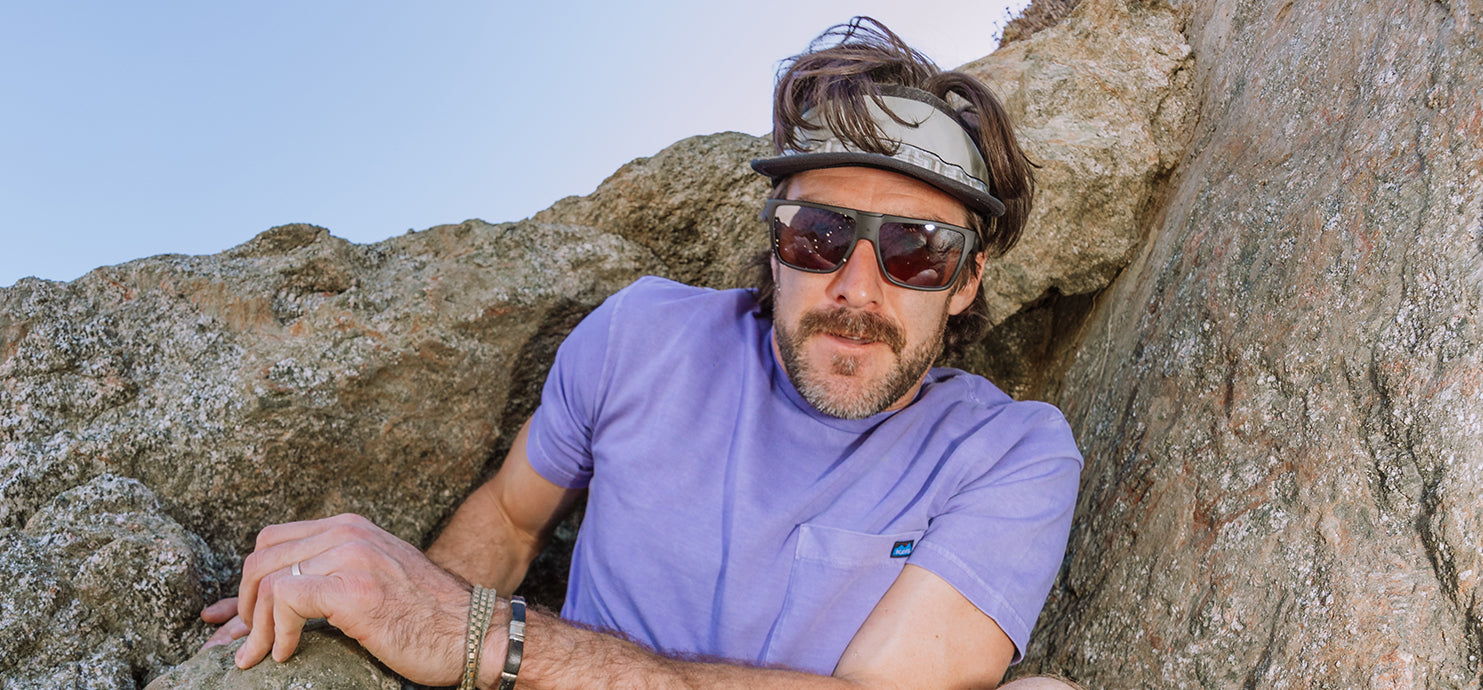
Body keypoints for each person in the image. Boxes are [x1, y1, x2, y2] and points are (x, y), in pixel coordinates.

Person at [200, 17, 1083, 689]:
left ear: (965, 281)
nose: (856, 288)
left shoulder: (1010, 456)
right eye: (818, 234)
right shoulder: (642, 338)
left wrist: (472, 636)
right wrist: (391, 606)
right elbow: (511, 519)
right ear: (774, 244)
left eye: (916, 251)